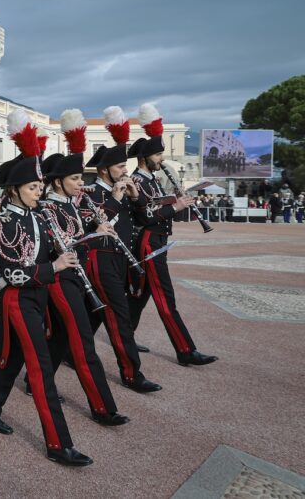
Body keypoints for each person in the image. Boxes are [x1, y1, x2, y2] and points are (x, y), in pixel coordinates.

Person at [0, 146, 92, 467]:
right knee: (40, 368)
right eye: (32, 188)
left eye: (40, 187)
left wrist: (73, 250)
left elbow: (57, 247)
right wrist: (53, 267)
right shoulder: (2, 221)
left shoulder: (40, 215)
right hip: (17, 298)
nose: (38, 192)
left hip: (39, 296)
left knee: (11, 358)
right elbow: (10, 270)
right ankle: (58, 443)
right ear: (15, 189)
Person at [38, 110, 129, 427]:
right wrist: (93, 235)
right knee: (83, 343)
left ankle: (33, 380)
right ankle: (103, 407)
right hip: (60, 280)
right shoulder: (47, 206)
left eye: (80, 178)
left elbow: (89, 224)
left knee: (61, 338)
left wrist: (111, 206)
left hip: (77, 276)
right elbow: (67, 242)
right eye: (75, 179)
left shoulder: (68, 202)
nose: (81, 183)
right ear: (58, 181)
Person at [129, 104, 218, 366]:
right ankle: (185, 350)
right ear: (145, 158)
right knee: (164, 298)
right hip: (149, 243)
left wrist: (178, 205)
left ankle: (125, 336)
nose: (162, 159)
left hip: (158, 242)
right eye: (158, 155)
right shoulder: (138, 180)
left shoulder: (153, 179)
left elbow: (159, 207)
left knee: (139, 296)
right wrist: (175, 206)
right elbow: (145, 215)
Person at [81, 106, 162, 393]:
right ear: (105, 170)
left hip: (121, 260)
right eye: (120, 169)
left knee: (90, 318)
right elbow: (92, 223)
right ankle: (131, 373)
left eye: (125, 168)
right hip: (100, 260)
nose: (124, 173)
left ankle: (64, 353)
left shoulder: (125, 189)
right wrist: (115, 199)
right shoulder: (91, 192)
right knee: (120, 317)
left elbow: (144, 219)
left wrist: (137, 197)